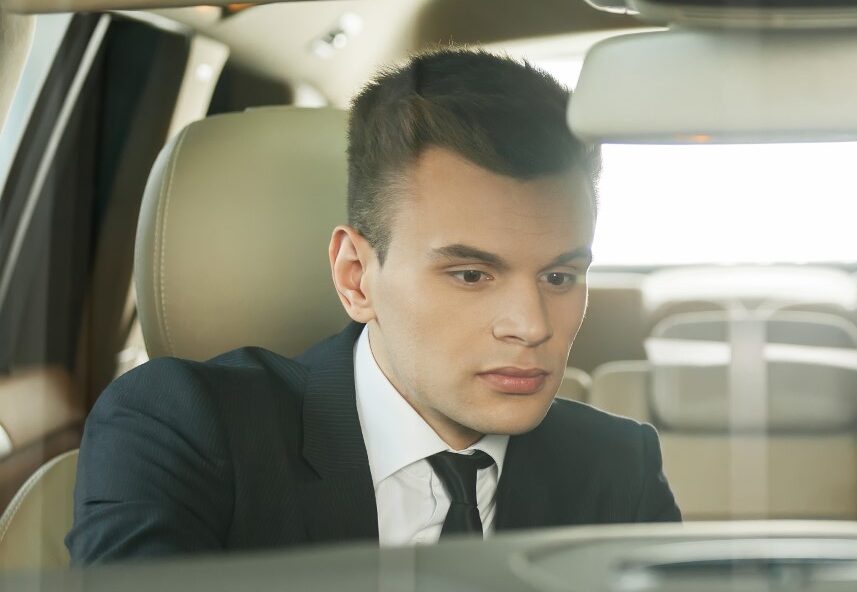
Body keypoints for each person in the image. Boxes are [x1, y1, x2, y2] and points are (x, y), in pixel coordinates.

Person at [69, 49, 680, 564]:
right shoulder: (183, 428)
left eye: (559, 275)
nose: (531, 326)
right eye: (470, 274)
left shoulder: (618, 467)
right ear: (356, 277)